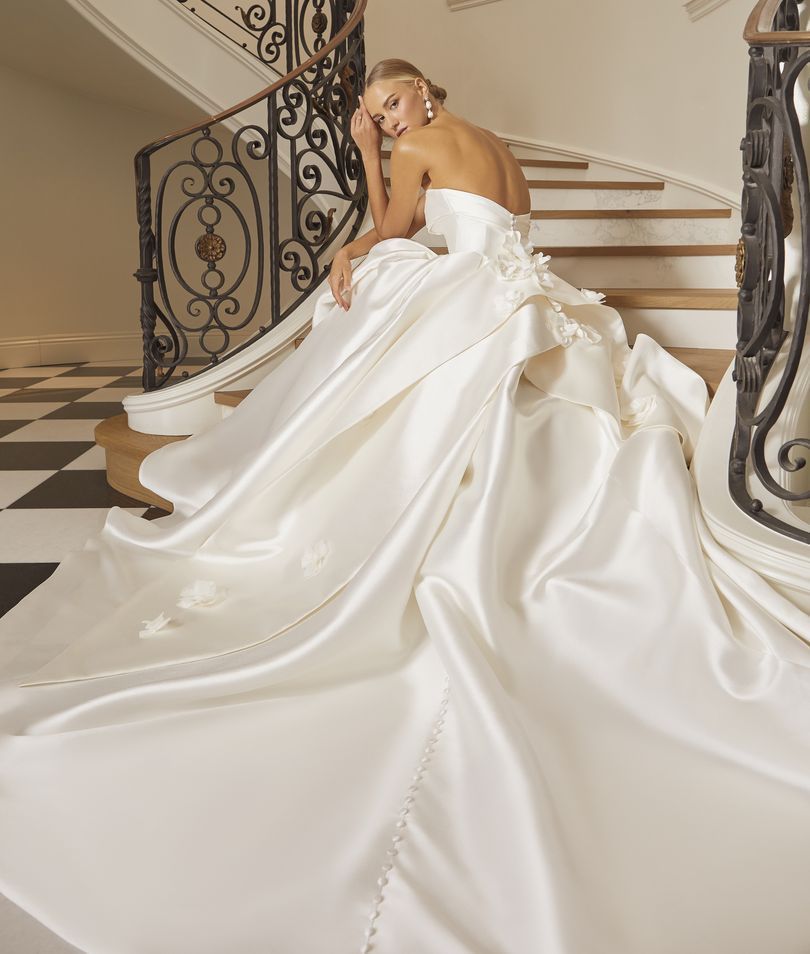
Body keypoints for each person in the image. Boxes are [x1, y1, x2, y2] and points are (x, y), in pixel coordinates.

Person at [0, 57, 809, 954]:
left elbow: (392, 229)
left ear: (423, 91)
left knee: (372, 293)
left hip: (477, 292)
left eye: (388, 105)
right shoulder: (496, 146)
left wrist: (357, 209)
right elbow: (508, 227)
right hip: (528, 290)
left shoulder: (420, 145)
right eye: (375, 116)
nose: (385, 123)